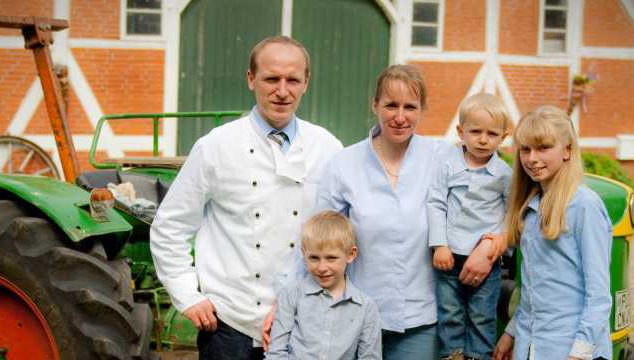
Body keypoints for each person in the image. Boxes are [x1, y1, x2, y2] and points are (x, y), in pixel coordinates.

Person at [150, 36, 343, 360]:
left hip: (303, 321)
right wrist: (188, 296)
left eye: (292, 80)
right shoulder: (216, 146)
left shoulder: (327, 148)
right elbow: (170, 226)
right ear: (251, 79)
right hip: (228, 325)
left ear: (306, 83)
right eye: (271, 78)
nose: (282, 91)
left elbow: (340, 231)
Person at [315, 64, 444, 358]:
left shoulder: (441, 158)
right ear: (375, 105)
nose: (400, 117)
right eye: (391, 105)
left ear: (421, 109)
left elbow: (487, 196)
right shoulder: (343, 164)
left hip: (420, 320)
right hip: (354, 318)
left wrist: (491, 242)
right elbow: (318, 238)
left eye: (410, 107)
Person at [490, 105, 613, 360]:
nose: (532, 158)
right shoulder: (530, 208)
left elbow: (599, 295)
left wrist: (579, 352)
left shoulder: (584, 206)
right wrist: (511, 333)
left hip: (570, 348)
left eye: (543, 148)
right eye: (525, 149)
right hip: (531, 345)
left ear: (567, 150)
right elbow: (535, 289)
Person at [427, 93, 513, 360]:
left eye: (492, 133)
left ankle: (478, 356)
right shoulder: (448, 166)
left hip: (486, 259)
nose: (483, 139)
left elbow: (511, 213)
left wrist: (496, 245)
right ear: (461, 132)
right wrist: (439, 244)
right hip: (449, 256)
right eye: (475, 131)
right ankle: (452, 355)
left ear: (504, 137)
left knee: (481, 314)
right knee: (450, 312)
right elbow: (435, 203)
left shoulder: (504, 175)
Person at [266, 210, 382, 359]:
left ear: (351, 254)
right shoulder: (291, 295)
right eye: (314, 258)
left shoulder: (366, 308)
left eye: (331, 258)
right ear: (303, 253)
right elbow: (275, 353)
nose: (321, 268)